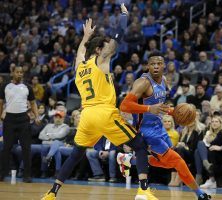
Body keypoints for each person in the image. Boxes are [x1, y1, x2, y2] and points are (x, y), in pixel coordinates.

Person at [42, 4, 155, 200]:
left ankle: (52, 193)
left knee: (76, 154)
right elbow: (118, 36)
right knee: (140, 145)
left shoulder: (80, 66)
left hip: (86, 115)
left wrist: (85, 36)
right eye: (104, 46)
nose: (107, 49)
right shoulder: (100, 60)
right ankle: (143, 191)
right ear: (99, 49)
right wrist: (124, 15)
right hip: (104, 112)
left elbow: (79, 53)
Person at [119, 51, 211, 200]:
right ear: (148, 66)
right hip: (145, 130)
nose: (155, 66)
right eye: (152, 64)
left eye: (159, 63)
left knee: (169, 164)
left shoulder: (164, 81)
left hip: (159, 127)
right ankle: (199, 194)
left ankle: (129, 160)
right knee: (178, 161)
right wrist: (149, 109)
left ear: (165, 66)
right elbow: (124, 105)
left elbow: (159, 107)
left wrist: (174, 111)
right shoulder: (143, 82)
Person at [0, 66, 40, 183]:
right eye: (17, 72)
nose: (19, 74)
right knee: (6, 148)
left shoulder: (27, 87)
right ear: (12, 73)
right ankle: (2, 174)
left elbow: (33, 103)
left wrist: (36, 116)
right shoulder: (5, 86)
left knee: (26, 148)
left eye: (21, 72)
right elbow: (1, 103)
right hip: (9, 119)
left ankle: (27, 175)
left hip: (23, 119)